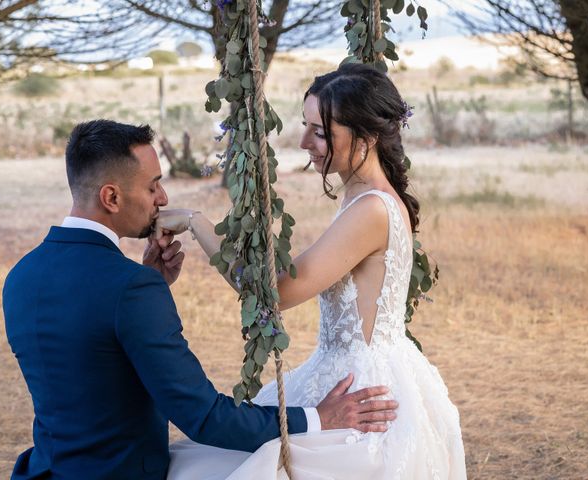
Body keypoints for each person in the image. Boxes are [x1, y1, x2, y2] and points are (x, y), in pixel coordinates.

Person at [2, 119, 399, 480]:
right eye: (152, 184)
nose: (163, 197)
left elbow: (87, 365)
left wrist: (150, 283)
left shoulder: (20, 277)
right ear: (111, 197)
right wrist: (319, 418)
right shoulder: (131, 290)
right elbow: (204, 417)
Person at [158, 64, 467, 479]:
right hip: (343, 370)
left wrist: (196, 221)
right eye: (306, 126)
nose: (304, 142)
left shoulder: (372, 209)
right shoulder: (360, 196)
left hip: (362, 390)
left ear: (368, 136)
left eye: (320, 132)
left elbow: (274, 295)